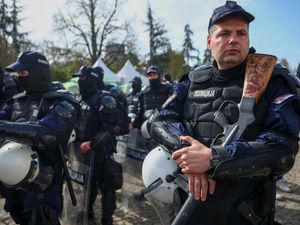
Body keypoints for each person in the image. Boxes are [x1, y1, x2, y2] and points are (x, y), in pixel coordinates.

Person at [147, 1, 300, 225]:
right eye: (224, 33)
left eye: (241, 33)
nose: (233, 40)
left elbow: (282, 147)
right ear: (209, 41)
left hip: (244, 213)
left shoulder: (272, 80)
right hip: (189, 206)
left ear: (248, 39)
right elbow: (160, 120)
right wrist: (189, 156)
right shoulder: (191, 81)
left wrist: (214, 158)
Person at [0, 51, 80, 225]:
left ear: (38, 72)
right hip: (13, 176)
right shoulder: (17, 101)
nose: (18, 77)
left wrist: (3, 127)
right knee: (18, 215)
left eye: (23, 73)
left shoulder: (63, 100)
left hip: (43, 183)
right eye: (17, 74)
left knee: (41, 218)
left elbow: (46, 134)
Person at [73, 65, 128, 225]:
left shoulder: (105, 98)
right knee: (87, 185)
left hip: (102, 152)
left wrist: (93, 143)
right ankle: (87, 213)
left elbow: (112, 127)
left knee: (107, 188)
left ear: (92, 79)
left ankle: (107, 219)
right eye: (79, 78)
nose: (80, 81)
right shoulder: (79, 99)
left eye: (83, 78)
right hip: (83, 152)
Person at [133, 65, 173, 130]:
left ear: (159, 75)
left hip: (163, 125)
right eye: (150, 75)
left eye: (154, 75)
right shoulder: (144, 91)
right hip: (147, 125)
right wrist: (136, 126)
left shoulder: (167, 89)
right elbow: (141, 110)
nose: (152, 77)